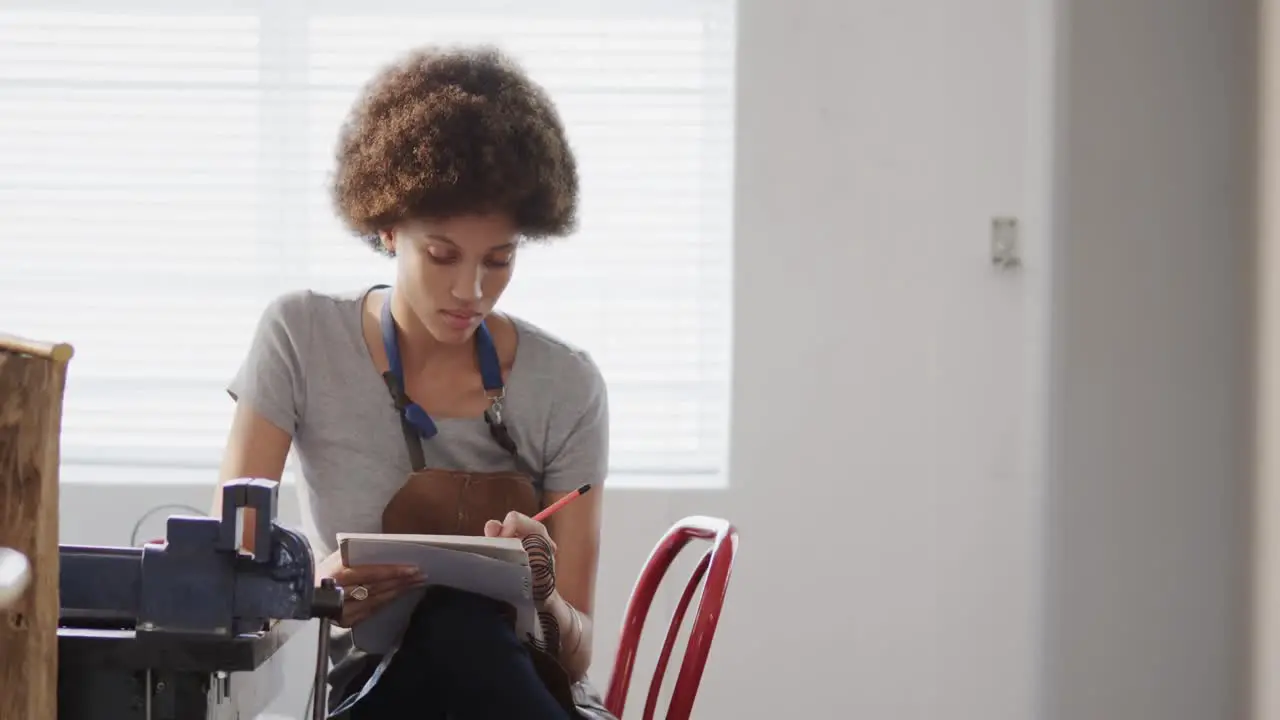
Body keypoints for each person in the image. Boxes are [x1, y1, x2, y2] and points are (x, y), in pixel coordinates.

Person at [214, 45, 614, 719]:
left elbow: (575, 656)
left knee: (469, 629)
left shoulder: (567, 384)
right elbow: (233, 575)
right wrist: (314, 590)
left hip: (526, 689)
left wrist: (544, 596)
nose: (471, 290)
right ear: (388, 225)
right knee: (449, 632)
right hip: (376, 686)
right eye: (442, 255)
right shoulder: (301, 336)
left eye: (500, 259)